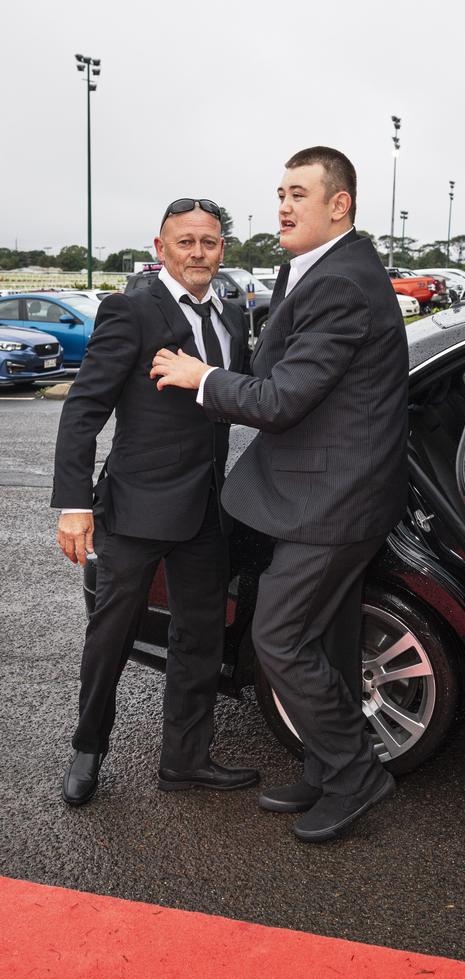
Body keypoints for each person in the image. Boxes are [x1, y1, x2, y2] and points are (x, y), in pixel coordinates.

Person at [150, 148, 409, 842]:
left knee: (280, 637)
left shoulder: (343, 283)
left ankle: (356, 775)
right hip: (330, 491)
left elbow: (285, 396)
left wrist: (199, 376)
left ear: (340, 205)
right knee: (325, 637)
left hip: (335, 500)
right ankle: (328, 770)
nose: (284, 205)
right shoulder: (325, 270)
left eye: (299, 193)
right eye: (280, 192)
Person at [52, 198, 258, 806]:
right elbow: (84, 407)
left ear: (224, 248)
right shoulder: (130, 310)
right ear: (161, 246)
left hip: (207, 512)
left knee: (199, 639)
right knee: (111, 636)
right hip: (136, 507)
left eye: (211, 242)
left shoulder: (233, 313)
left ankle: (186, 760)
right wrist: (73, 502)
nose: (199, 253)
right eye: (186, 242)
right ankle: (88, 749)